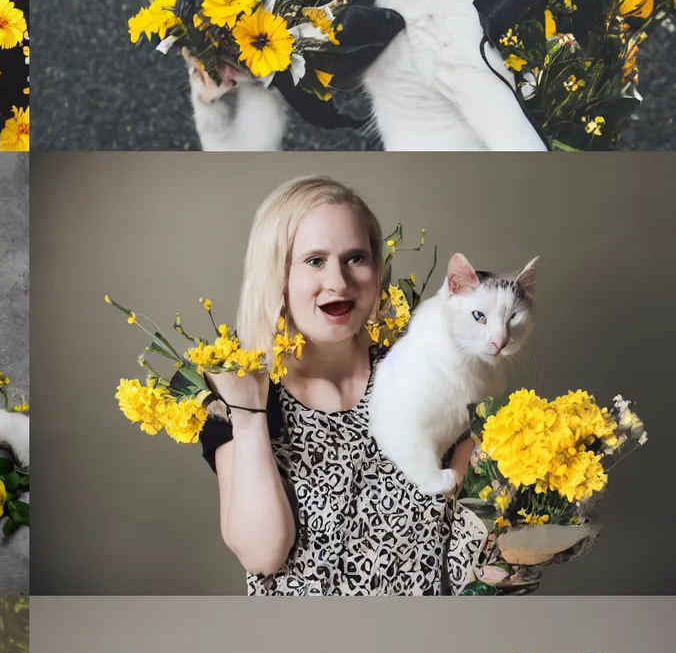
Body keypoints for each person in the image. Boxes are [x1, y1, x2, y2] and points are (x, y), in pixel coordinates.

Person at [202, 175, 485, 594]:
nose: (338, 281)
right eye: (314, 261)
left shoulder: (422, 371)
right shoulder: (242, 394)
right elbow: (262, 556)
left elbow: (469, 526)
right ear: (277, 276)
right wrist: (248, 413)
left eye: (355, 258)